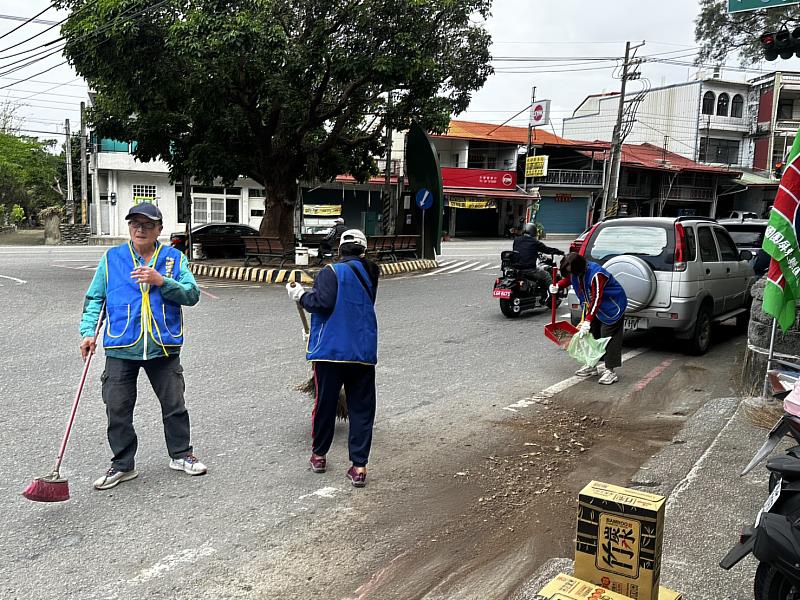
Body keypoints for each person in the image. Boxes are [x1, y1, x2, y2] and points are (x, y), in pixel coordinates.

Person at [80, 203, 206, 490]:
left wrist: (162, 281)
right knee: (117, 408)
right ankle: (123, 465)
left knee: (174, 405)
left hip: (163, 345)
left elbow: (192, 294)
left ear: (159, 229)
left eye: (148, 224)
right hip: (121, 344)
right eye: (135, 224)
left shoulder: (174, 258)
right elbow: (95, 299)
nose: (140, 229)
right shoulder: (112, 258)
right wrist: (88, 333)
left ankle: (181, 454)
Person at [286, 229, 379, 488]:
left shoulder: (331, 272)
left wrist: (301, 295)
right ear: (364, 250)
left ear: (339, 249)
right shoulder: (371, 273)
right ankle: (359, 467)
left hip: (331, 352)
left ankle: (319, 456)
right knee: (361, 410)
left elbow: (322, 304)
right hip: (362, 352)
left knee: (325, 405)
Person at [549, 252, 628, 385]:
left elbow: (597, 299)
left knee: (608, 337)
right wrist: (558, 285)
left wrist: (587, 321)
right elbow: (570, 278)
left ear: (579, 268)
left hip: (611, 306)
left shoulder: (596, 275)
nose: (571, 274)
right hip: (593, 307)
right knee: (590, 335)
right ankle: (591, 365)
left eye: (572, 272)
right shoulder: (577, 271)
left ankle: (610, 371)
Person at [512, 222, 564, 287]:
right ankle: (553, 292)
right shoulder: (534, 242)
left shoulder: (516, 240)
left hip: (517, 269)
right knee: (547, 275)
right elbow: (547, 250)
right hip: (529, 269)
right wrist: (559, 252)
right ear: (533, 231)